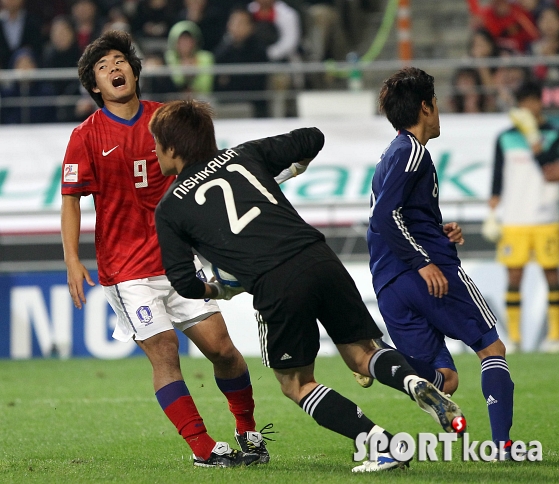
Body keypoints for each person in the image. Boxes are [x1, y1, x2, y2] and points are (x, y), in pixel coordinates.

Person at [149, 99, 466, 473]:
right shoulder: (245, 155)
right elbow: (311, 137)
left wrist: (218, 290)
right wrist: (293, 167)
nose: (155, 154)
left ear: (171, 148)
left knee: (296, 384)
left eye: (156, 145)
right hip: (319, 258)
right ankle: (414, 382)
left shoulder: (169, 207)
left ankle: (384, 445)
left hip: (276, 282)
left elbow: (183, 282)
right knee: (364, 353)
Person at [60, 30, 266, 468]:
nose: (115, 68)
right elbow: (72, 199)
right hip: (126, 270)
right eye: (103, 66)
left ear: (134, 71)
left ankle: (247, 431)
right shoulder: (86, 136)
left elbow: (201, 179)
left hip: (176, 261)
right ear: (95, 86)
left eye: (120, 60)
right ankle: (203, 449)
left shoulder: (165, 122)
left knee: (224, 350)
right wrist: (73, 259)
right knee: (165, 352)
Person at [367, 67, 517, 461]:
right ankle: (503, 447)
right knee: (491, 348)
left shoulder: (390, 155)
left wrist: (436, 229)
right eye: (436, 103)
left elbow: (396, 215)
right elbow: (385, 215)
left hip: (388, 285)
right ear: (425, 106)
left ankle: (380, 361)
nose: (439, 111)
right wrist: (424, 260)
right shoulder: (413, 151)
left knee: (444, 380)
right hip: (428, 276)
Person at [488, 80, 559, 353]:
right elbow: (497, 177)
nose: (529, 108)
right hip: (514, 219)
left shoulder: (553, 134)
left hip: (546, 218)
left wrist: (534, 139)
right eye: (523, 103)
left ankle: (554, 336)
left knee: (552, 277)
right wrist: (492, 212)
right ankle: (514, 338)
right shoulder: (505, 137)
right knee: (513, 278)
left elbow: (550, 172)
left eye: (533, 102)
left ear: (540, 103)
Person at [213, 7, 269, 117]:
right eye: (233, 22)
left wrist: (229, 79)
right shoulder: (223, 51)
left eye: (240, 23)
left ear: (251, 27)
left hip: (254, 106)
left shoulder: (259, 51)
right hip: (226, 103)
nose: (235, 26)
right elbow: (217, 83)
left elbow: (255, 84)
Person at [164, 20, 213, 95]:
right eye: (181, 40)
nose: (185, 43)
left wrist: (194, 74)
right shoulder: (169, 57)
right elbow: (176, 82)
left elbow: (206, 86)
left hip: (201, 99)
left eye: (188, 39)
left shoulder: (206, 57)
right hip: (175, 98)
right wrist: (184, 73)